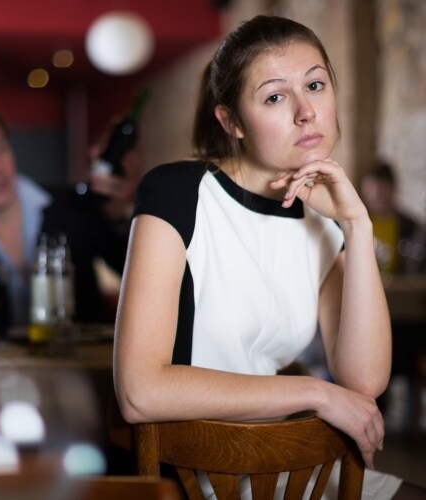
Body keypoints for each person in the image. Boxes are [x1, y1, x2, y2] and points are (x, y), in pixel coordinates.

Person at [114, 15, 424, 499]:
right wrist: (316, 394)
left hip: (289, 465)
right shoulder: (179, 192)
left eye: (316, 85)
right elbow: (140, 391)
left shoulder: (323, 217)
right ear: (231, 121)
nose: (307, 112)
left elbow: (363, 381)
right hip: (196, 474)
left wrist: (356, 227)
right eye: (276, 96)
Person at [0, 105, 135, 335]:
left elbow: (132, 270)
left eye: (0, 149)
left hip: (82, 365)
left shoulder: (68, 207)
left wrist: (117, 215)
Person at [360, 161, 426, 275]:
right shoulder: (358, 225)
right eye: (371, 190)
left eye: (381, 190)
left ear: (393, 188)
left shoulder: (411, 228)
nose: (376, 196)